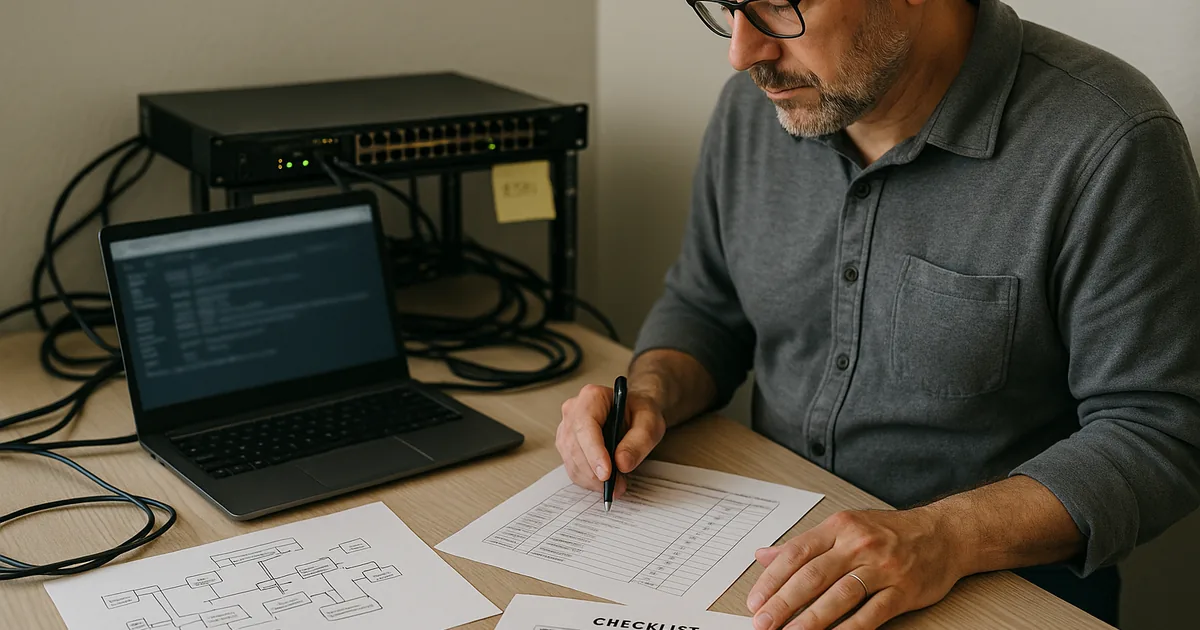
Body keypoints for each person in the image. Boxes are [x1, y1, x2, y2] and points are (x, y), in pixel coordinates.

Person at [555, 0, 1200, 628]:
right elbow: (704, 305)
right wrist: (647, 395)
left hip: (1002, 591)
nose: (742, 53)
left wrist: (939, 538)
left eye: (781, 5)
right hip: (767, 563)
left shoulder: (1111, 140)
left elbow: (1161, 430)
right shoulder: (757, 112)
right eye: (728, 5)